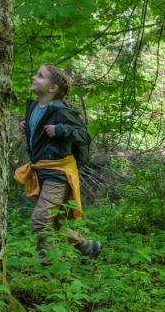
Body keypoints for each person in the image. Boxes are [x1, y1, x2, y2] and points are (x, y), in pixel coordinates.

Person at [15, 64, 102, 259]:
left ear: (52, 88)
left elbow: (84, 136)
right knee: (52, 223)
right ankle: (88, 247)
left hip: (58, 172)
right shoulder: (35, 106)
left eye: (40, 76)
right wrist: (26, 126)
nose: (34, 78)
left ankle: (48, 267)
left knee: (40, 221)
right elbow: (38, 131)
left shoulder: (61, 111)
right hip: (39, 170)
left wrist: (60, 130)